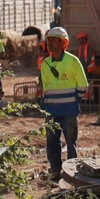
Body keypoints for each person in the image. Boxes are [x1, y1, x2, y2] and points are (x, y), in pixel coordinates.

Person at [39, 26, 89, 181]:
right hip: (51, 110)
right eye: (49, 40)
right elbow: (46, 88)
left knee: (70, 141)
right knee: (51, 141)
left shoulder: (73, 61)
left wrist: (73, 101)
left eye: (54, 40)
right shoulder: (45, 64)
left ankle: (72, 171)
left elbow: (82, 85)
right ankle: (55, 171)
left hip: (69, 110)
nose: (50, 43)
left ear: (63, 43)